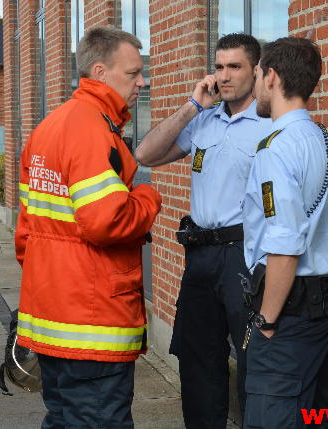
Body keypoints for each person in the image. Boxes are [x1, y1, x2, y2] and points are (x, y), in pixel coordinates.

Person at [14, 26, 162, 429]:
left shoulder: (51, 125)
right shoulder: (92, 130)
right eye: (133, 74)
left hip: (52, 313)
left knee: (63, 418)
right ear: (101, 71)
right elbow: (105, 221)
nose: (142, 82)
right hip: (91, 321)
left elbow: (26, 232)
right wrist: (148, 200)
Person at [136, 33, 273, 428]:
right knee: (197, 358)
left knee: (252, 362)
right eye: (218, 66)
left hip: (245, 256)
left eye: (234, 67)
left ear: (256, 71)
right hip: (200, 256)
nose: (224, 75)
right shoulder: (204, 121)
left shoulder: (267, 126)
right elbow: (146, 154)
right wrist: (194, 105)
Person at [240, 37, 328, 428]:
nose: (255, 85)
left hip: (289, 311)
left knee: (272, 415)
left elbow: (285, 244)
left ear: (271, 77)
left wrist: (265, 321)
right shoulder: (327, 143)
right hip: (325, 302)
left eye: (256, 75)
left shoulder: (275, 148)